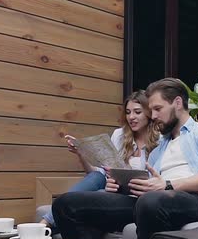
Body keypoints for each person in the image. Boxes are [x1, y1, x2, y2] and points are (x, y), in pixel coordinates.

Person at [52, 78, 198, 239]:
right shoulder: (159, 147)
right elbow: (151, 185)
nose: (154, 116)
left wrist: (166, 185)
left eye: (158, 108)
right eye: (151, 110)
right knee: (66, 204)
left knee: (151, 202)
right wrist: (121, 187)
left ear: (177, 103)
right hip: (154, 201)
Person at [39, 90, 159, 228]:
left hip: (135, 194)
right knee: (97, 176)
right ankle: (45, 223)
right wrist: (81, 154)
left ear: (149, 114)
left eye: (137, 112)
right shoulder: (119, 135)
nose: (131, 117)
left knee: (93, 196)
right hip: (113, 187)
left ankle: (44, 225)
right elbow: (101, 172)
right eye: (128, 112)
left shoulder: (160, 139)